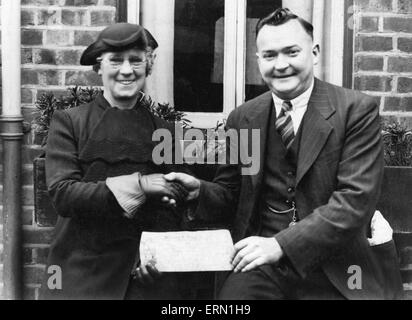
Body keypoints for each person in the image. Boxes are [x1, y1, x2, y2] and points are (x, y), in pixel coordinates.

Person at [165, 8, 403, 299]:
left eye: (291, 52)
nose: (281, 65)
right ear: (258, 60)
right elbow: (231, 193)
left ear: (314, 53)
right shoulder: (244, 118)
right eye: (269, 55)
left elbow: (354, 202)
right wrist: (199, 192)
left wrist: (280, 245)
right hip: (262, 265)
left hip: (337, 266)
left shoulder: (355, 111)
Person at [40, 23, 191, 300]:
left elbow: (176, 209)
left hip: (142, 272)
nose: (126, 70)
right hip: (82, 267)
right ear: (99, 67)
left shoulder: (166, 132)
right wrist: (140, 185)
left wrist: (157, 258)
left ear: (149, 65)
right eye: (115, 61)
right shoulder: (70, 123)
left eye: (135, 60)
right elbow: (64, 194)